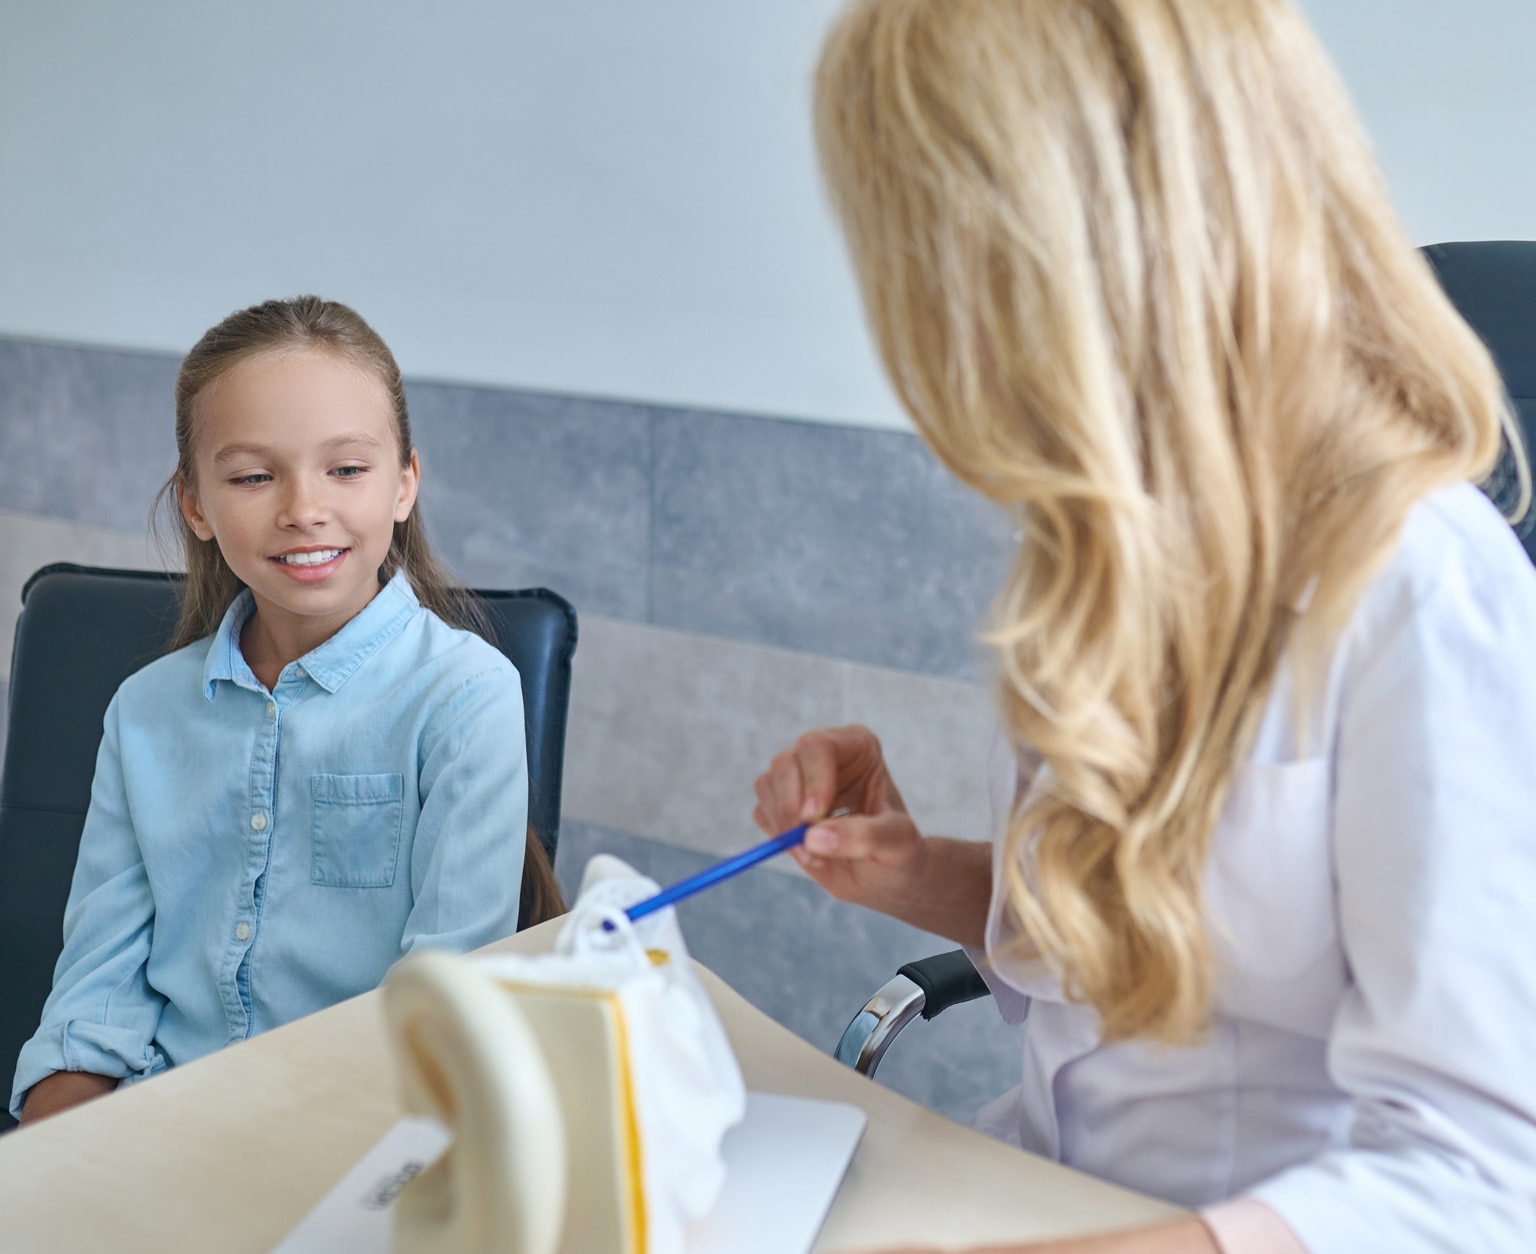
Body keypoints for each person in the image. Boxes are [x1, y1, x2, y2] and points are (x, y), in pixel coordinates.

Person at [753, 2, 1536, 1251]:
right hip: (1049, 1191)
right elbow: (1114, 967)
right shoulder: (1093, 548)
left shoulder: (1418, 586)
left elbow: (1477, 1181)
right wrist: (916, 871)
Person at [11, 296, 562, 1125]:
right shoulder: (144, 713)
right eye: (253, 477)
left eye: (346, 469)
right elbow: (96, 1003)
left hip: (360, 1134)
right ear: (196, 504)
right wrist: (52, 1166)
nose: (304, 508)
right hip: (156, 1129)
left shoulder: (464, 695)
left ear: (405, 483)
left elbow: (443, 1014)